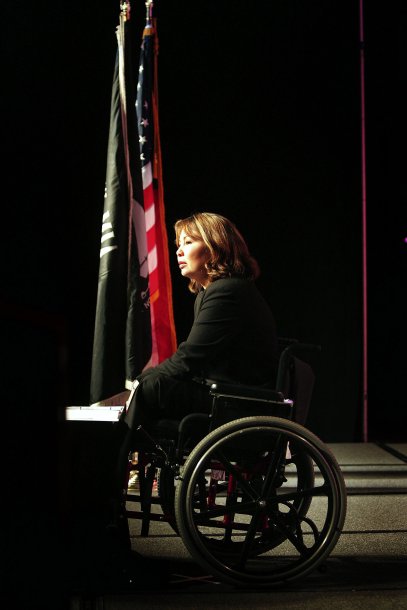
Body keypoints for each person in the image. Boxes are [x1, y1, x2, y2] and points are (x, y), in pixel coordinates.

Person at [122, 211, 279, 436]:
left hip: (239, 401)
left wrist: (139, 382)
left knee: (151, 388)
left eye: (188, 242)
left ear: (214, 247)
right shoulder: (217, 292)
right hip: (227, 394)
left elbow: (189, 358)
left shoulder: (228, 291)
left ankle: (122, 462)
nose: (179, 251)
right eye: (178, 244)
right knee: (153, 386)